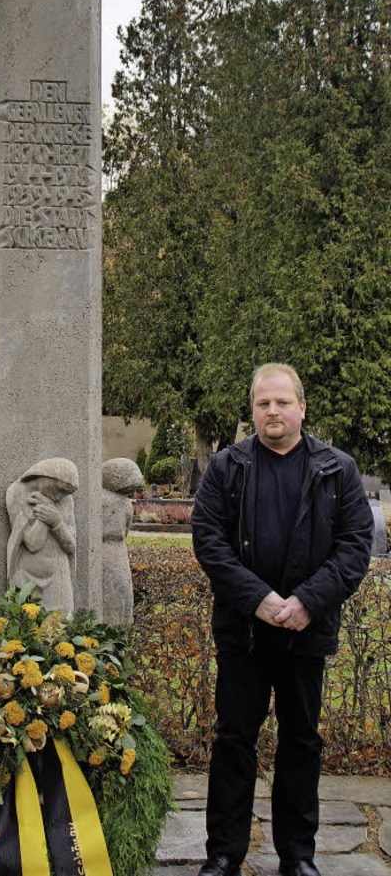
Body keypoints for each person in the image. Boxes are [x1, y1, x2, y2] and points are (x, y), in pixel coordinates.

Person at [191, 363, 373, 876]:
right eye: (263, 404)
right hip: (245, 633)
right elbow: (208, 539)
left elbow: (355, 545)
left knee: (301, 742)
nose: (273, 411)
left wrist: (308, 601)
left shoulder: (338, 469)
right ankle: (224, 854)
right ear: (253, 411)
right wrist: (259, 600)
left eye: (282, 402)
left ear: (301, 408)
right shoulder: (227, 467)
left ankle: (298, 856)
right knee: (233, 741)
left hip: (306, 633)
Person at [6, 457, 77, 611]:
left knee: (63, 626)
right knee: (29, 627)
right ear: (47, 477)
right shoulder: (16, 492)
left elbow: (71, 546)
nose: (60, 496)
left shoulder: (66, 500)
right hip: (27, 578)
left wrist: (56, 521)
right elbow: (32, 543)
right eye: (60, 489)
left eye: (65, 493)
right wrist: (45, 514)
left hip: (58, 576)